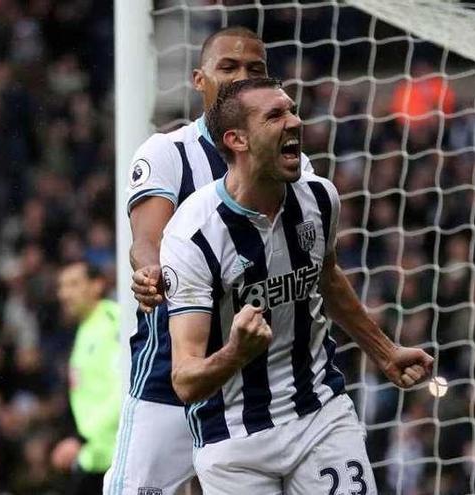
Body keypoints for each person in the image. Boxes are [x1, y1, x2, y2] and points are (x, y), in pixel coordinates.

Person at [159, 78, 435, 494]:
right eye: (275, 115)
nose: (294, 122)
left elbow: (326, 276)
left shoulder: (321, 200)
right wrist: (236, 351)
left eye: (292, 110)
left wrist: (384, 351)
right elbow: (185, 380)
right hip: (233, 440)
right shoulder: (193, 237)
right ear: (237, 140)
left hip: (319, 413)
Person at [107, 26, 312, 495]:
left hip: (262, 388)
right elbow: (147, 239)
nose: (242, 77)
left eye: (255, 69)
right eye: (228, 67)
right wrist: (149, 271)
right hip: (170, 378)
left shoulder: (293, 163)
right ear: (200, 80)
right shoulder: (169, 152)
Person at [53, 261, 121, 495]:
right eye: (61, 286)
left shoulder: (114, 322)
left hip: (114, 458)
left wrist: (80, 438)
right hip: (92, 458)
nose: (63, 294)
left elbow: (123, 388)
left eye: (73, 284)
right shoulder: (85, 328)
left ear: (97, 285)